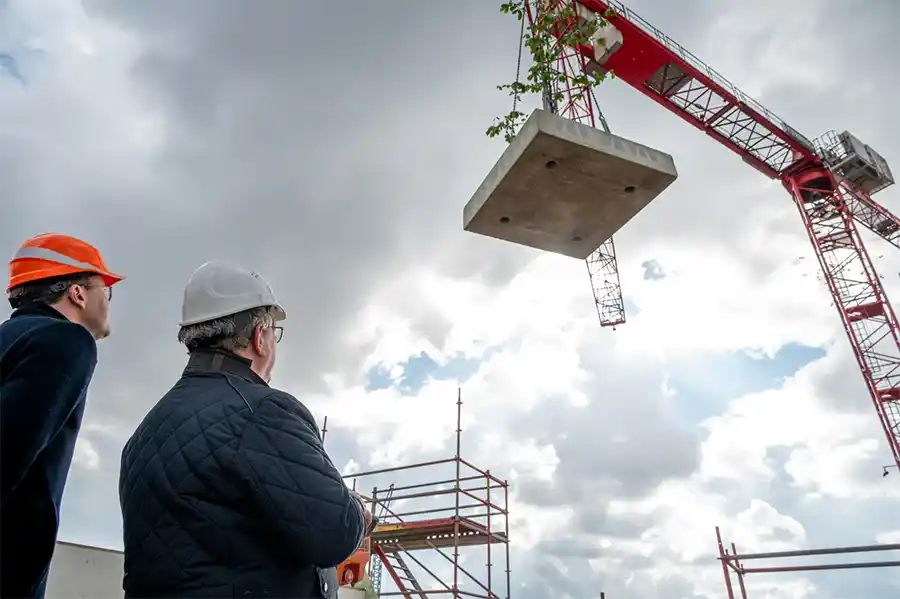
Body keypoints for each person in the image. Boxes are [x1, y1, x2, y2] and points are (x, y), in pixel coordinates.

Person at [119, 260, 373, 599]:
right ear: (259, 338)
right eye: (274, 333)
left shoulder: (144, 434)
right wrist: (358, 510)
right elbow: (333, 533)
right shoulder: (263, 411)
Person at [0, 233, 124, 599]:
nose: (108, 301)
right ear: (78, 293)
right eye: (106, 289)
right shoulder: (66, 341)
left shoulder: (10, 338)